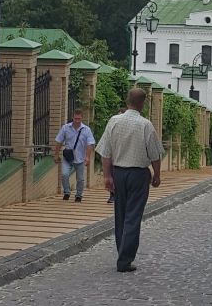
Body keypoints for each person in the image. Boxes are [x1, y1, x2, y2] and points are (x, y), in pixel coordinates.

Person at [95, 88, 164, 273]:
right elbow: (155, 155)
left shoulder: (114, 121)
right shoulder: (146, 125)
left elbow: (105, 152)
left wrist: (107, 176)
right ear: (142, 104)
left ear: (127, 101)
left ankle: (121, 252)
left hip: (118, 173)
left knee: (120, 215)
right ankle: (125, 260)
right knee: (133, 216)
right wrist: (157, 175)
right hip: (138, 175)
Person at [54, 108, 95, 203]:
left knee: (80, 179)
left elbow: (90, 144)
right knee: (64, 175)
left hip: (80, 157)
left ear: (82, 119)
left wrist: (87, 157)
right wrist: (56, 154)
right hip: (68, 157)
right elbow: (59, 141)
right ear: (72, 117)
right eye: (75, 118)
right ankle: (67, 192)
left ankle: (79, 195)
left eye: (79, 119)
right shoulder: (65, 128)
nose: (77, 121)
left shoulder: (86, 130)